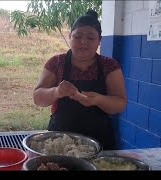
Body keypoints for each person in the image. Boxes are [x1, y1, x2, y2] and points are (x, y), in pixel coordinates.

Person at [33, 9, 127, 150]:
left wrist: (97, 100)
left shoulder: (109, 65)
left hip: (100, 141)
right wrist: (57, 91)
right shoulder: (56, 62)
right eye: (78, 37)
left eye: (90, 38)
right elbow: (38, 98)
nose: (84, 42)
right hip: (59, 141)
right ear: (70, 36)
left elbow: (120, 103)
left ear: (99, 40)